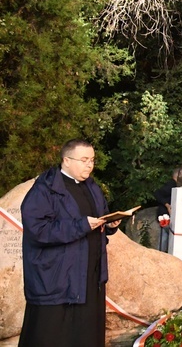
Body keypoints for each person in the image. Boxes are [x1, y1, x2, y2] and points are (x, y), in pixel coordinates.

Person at [19, 139, 119, 347]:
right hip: (56, 277)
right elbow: (38, 230)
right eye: (84, 160)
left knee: (85, 333)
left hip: (89, 276)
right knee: (52, 335)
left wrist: (110, 224)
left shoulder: (92, 186)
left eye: (92, 160)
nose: (89, 165)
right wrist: (81, 226)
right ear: (66, 160)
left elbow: (98, 217)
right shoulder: (45, 189)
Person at [153, 168, 179, 252]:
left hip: (168, 215)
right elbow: (157, 193)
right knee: (164, 238)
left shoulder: (174, 185)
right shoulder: (171, 185)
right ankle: (161, 254)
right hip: (165, 215)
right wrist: (167, 205)